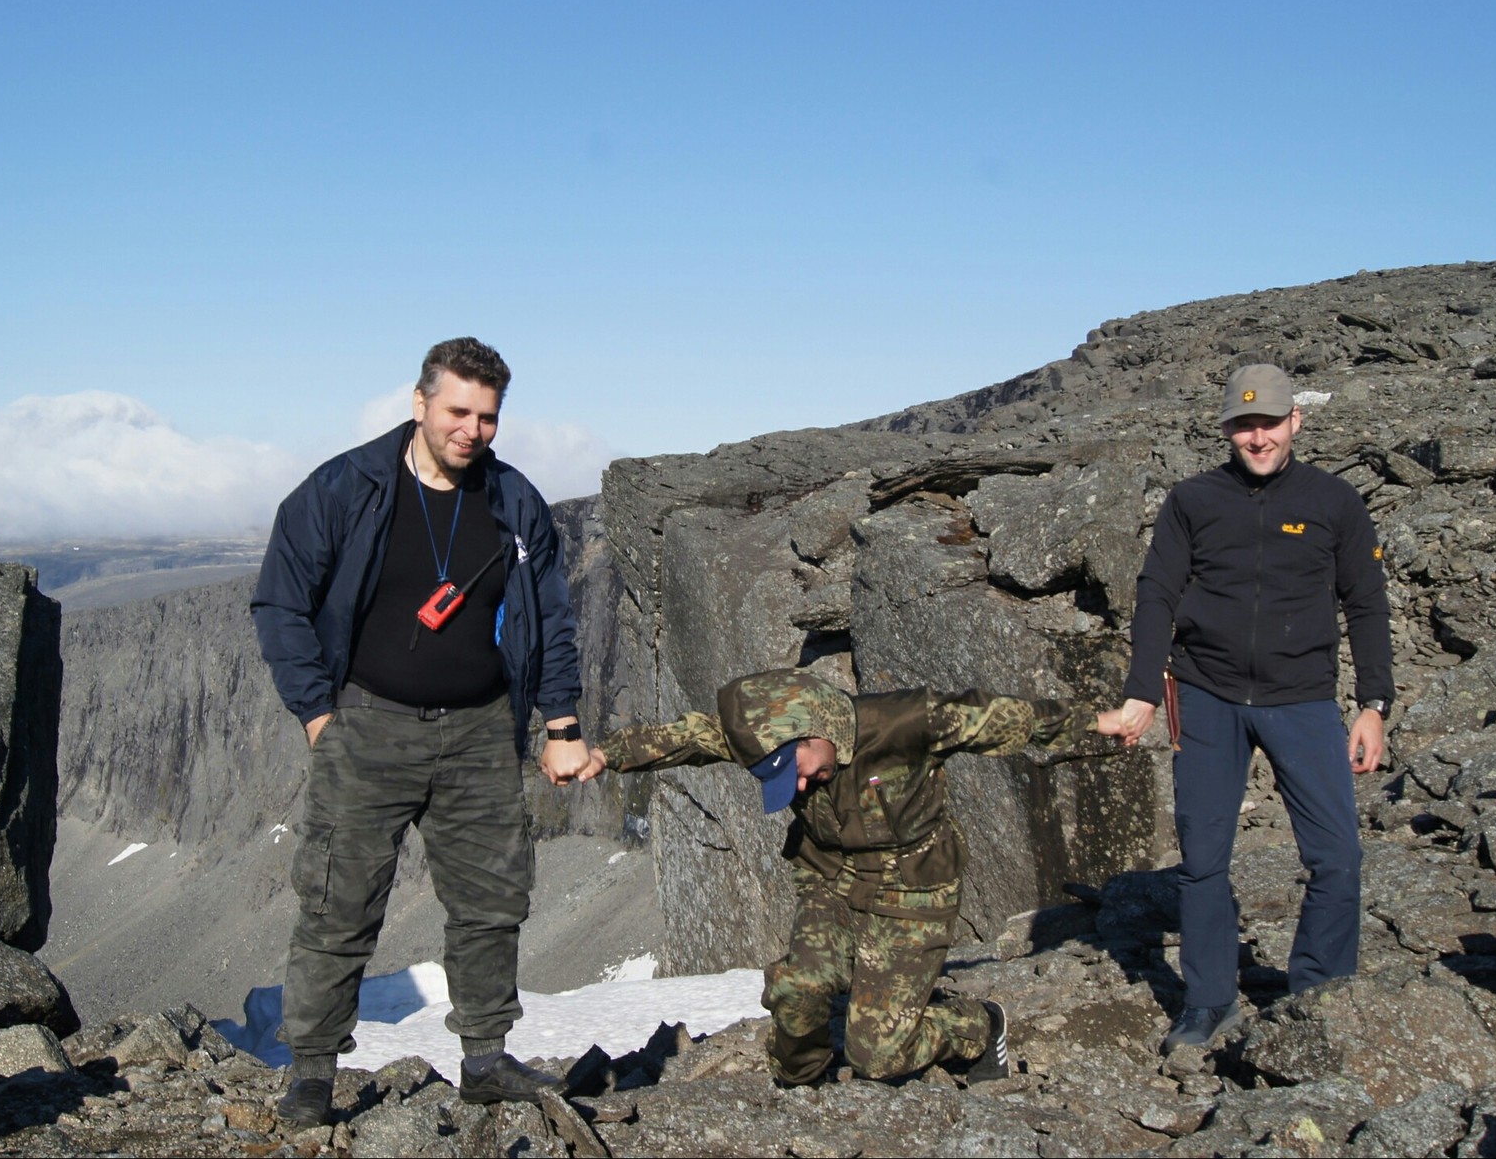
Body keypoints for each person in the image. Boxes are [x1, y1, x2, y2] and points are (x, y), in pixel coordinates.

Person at [251, 337, 587, 1125]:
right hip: (370, 722)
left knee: (493, 896)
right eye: (458, 411)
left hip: (479, 729)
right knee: (340, 899)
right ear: (420, 402)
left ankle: (485, 1055)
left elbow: (554, 621)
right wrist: (317, 712)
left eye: (489, 417)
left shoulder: (514, 501)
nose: (472, 430)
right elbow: (279, 600)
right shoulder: (345, 488)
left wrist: (563, 721)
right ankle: (311, 1071)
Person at [575, 668, 1128, 1086]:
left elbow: (1005, 717)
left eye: (796, 772)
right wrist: (605, 755)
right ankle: (800, 1086)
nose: (795, 789)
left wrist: (1100, 722)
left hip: (914, 890)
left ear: (813, 732)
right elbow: (688, 736)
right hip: (830, 878)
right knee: (796, 988)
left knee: (878, 1057)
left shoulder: (907, 723)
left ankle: (977, 1025)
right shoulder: (766, 735)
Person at [1105, 362, 1392, 1053]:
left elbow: (1367, 603)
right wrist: (1144, 689)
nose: (1256, 436)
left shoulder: (1336, 502)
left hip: (1302, 700)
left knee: (1337, 855)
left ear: (1296, 420)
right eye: (1242, 424)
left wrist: (1374, 702)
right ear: (1227, 428)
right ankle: (1207, 1002)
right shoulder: (1193, 501)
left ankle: (1319, 994)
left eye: (1268, 422)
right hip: (1205, 695)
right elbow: (1156, 594)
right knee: (1203, 860)